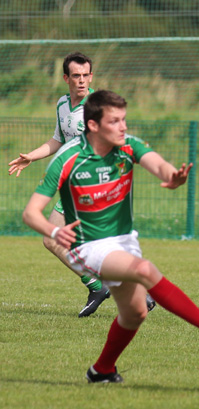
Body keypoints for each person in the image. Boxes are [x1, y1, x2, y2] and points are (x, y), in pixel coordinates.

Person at [22, 89, 199, 383]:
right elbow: (31, 213)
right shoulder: (69, 157)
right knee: (144, 270)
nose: (123, 127)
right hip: (86, 245)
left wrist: (172, 176)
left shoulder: (128, 146)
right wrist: (54, 230)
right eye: (115, 121)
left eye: (124, 120)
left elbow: (159, 165)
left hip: (123, 240)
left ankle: (101, 370)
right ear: (93, 125)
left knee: (135, 313)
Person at [9, 52, 155, 317]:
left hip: (96, 185)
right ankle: (110, 288)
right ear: (66, 78)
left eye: (85, 75)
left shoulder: (98, 105)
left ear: (91, 76)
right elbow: (57, 140)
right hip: (74, 185)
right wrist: (32, 155)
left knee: (70, 241)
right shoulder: (62, 104)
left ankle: (111, 288)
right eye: (75, 76)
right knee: (56, 239)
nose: (81, 81)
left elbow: (118, 139)